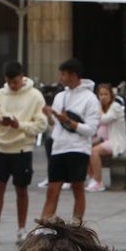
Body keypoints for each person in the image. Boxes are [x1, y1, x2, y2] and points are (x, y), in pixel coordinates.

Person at [0, 62, 47, 246]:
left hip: (22, 148)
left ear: (23, 77)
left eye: (17, 81)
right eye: (11, 82)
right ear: (5, 79)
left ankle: (21, 229)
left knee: (22, 189)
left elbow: (41, 124)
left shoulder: (35, 96)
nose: (14, 85)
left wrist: (19, 125)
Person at [41, 59, 101, 222]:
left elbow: (91, 129)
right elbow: (55, 126)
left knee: (78, 188)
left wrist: (68, 121)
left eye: (63, 74)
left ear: (73, 75)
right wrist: (49, 116)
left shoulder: (90, 99)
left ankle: (76, 225)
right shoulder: (60, 96)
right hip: (58, 147)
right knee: (53, 189)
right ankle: (44, 225)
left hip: (78, 148)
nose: (60, 78)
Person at [85, 83, 126, 193]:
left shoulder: (116, 107)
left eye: (106, 94)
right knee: (83, 150)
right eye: (101, 94)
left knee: (94, 152)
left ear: (111, 95)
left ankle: (98, 182)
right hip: (100, 140)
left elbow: (105, 119)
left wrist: (98, 109)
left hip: (114, 141)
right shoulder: (100, 108)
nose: (103, 97)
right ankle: (92, 179)